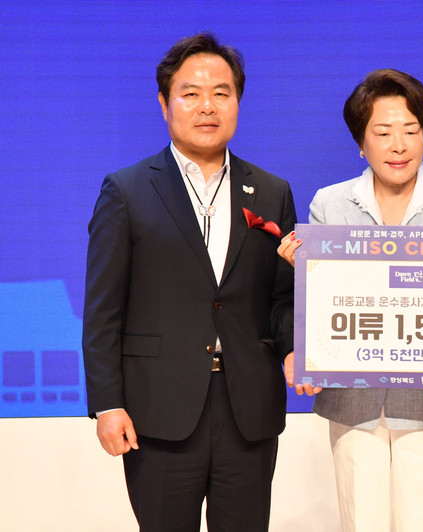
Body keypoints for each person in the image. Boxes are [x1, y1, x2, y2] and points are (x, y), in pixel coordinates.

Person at [82, 33, 295, 531]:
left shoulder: (271, 191)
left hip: (248, 408)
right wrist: (107, 404)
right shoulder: (127, 190)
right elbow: (103, 309)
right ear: (164, 104)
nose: (207, 106)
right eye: (191, 93)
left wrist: (294, 351)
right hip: (158, 409)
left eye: (221, 93)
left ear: (238, 102)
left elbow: (282, 299)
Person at [277, 69, 423, 532]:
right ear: (361, 142)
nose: (398, 145)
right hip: (353, 400)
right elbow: (318, 303)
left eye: (411, 131)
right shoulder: (330, 204)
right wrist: (302, 272)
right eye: (383, 132)